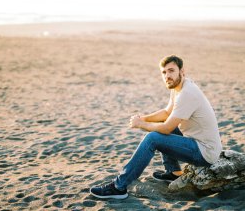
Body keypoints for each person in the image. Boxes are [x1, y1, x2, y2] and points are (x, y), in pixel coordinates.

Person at [90, 55, 222, 199]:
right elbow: (166, 113)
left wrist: (141, 124)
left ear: (182, 71)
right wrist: (144, 118)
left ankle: (119, 187)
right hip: (197, 142)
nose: (167, 76)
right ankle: (174, 172)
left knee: (153, 138)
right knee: (161, 128)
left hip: (205, 152)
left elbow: (165, 128)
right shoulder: (178, 87)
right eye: (164, 72)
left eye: (171, 71)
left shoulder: (187, 93)